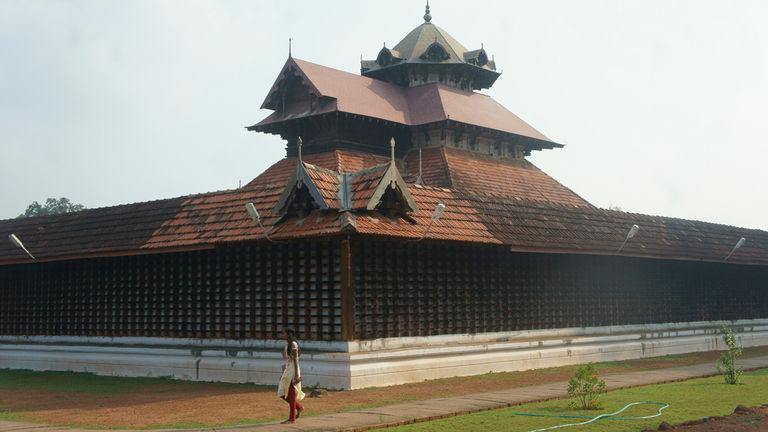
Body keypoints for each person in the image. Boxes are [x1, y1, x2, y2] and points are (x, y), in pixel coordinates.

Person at [277, 328, 305, 423]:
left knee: (291, 394)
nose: (282, 335)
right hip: (288, 369)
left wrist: (297, 374)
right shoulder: (288, 345)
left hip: (293, 369)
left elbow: (296, 360)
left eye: (284, 333)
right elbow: (287, 359)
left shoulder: (293, 344)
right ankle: (299, 407)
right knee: (282, 392)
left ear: (289, 334)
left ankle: (291, 418)